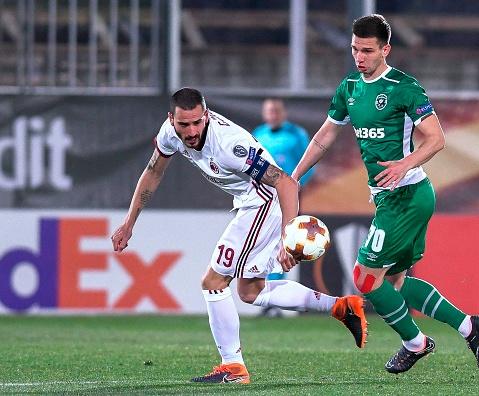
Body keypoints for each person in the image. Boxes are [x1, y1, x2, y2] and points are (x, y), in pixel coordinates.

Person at [110, 88, 367, 385]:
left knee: (213, 281)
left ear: (206, 115)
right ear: (172, 119)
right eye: (184, 125)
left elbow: (285, 183)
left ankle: (233, 367)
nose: (191, 131)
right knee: (251, 291)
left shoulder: (229, 145)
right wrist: (129, 223)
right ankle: (340, 306)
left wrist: (287, 234)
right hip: (249, 202)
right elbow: (153, 172)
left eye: (197, 123)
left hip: (264, 201)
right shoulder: (169, 133)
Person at [291, 14, 479, 375]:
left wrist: (404, 163)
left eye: (367, 50)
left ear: (386, 49)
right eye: (354, 49)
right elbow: (324, 137)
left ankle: (415, 343)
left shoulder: (404, 87)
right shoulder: (350, 87)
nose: (360, 57)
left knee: (365, 278)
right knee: (395, 282)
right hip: (393, 197)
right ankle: (470, 327)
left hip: (406, 194)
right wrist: (294, 177)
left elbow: (436, 138)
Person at [252, 98, 315, 317]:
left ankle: (277, 297)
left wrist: (296, 188)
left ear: (283, 112)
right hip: (263, 199)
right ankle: (266, 294)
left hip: (288, 198)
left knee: (285, 243)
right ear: (264, 113)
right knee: (264, 244)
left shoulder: (296, 135)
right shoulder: (258, 134)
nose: (273, 114)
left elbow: (309, 164)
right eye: (269, 110)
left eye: (276, 110)